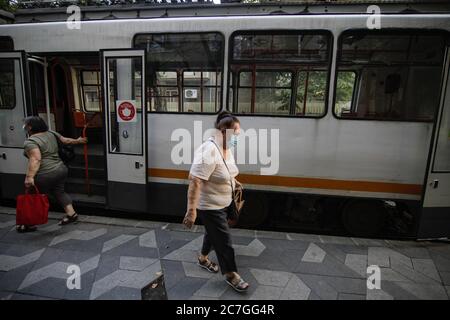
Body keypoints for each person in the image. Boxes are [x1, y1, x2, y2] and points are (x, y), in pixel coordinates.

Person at [183, 110, 249, 293]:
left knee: (214, 234)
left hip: (224, 202)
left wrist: (233, 182)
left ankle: (203, 258)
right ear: (222, 131)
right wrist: (191, 211)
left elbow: (224, 172)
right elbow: (195, 180)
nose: (237, 137)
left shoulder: (226, 149)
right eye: (235, 134)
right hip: (210, 206)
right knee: (224, 241)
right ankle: (232, 275)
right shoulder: (209, 149)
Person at [18, 116, 87, 233]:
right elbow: (65, 141)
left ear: (30, 127)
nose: (24, 127)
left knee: (32, 197)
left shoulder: (31, 142)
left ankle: (28, 224)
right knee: (59, 191)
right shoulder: (51, 133)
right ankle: (72, 214)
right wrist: (79, 141)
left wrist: (29, 177)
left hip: (45, 173)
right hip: (61, 169)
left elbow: (35, 159)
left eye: (25, 124)